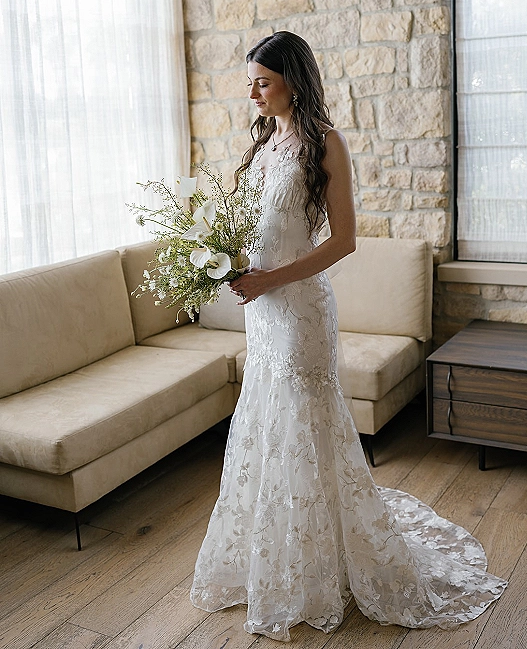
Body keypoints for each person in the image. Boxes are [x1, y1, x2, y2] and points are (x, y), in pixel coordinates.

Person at [190, 31, 506, 642]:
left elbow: (342, 242)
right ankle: (276, 559)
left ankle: (324, 562)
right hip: (263, 312)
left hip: (301, 310)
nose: (252, 93)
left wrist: (271, 279)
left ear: (292, 81)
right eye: (250, 82)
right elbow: (247, 220)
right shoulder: (262, 142)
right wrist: (223, 261)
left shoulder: (325, 144)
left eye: (262, 81)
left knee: (306, 426)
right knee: (267, 423)